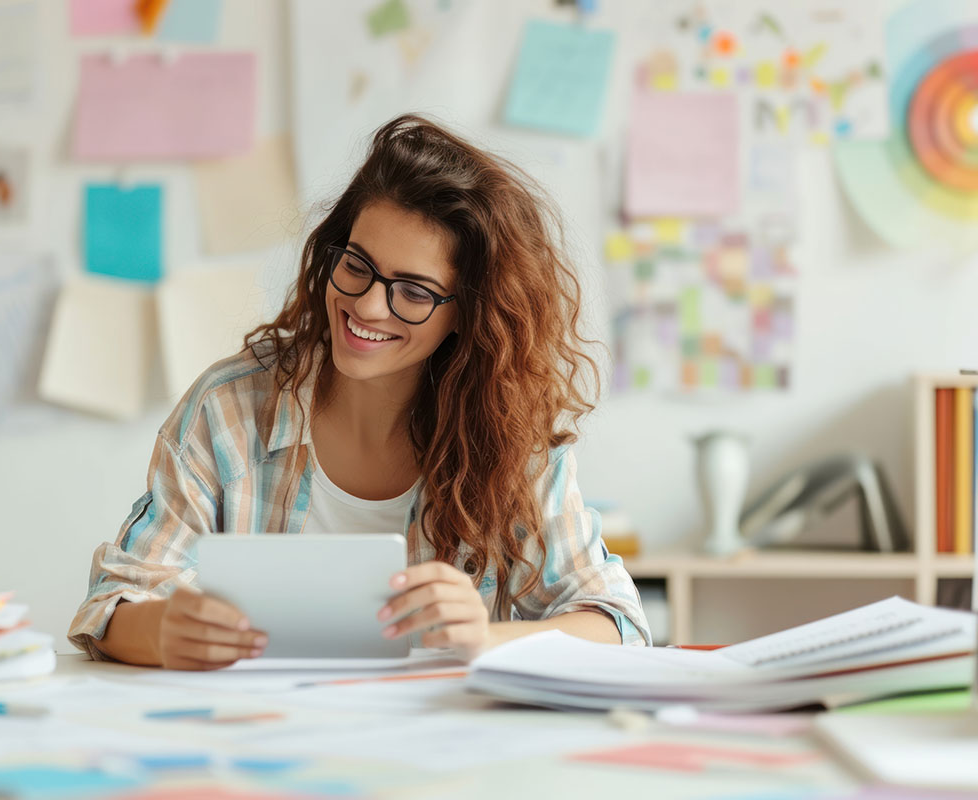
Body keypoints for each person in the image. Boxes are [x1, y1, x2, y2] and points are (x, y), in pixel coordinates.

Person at [68, 114, 651, 670]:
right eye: (357, 264)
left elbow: (616, 624)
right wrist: (163, 631)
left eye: (415, 292)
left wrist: (485, 637)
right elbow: (114, 603)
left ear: (470, 314)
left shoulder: (512, 435)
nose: (369, 305)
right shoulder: (230, 407)